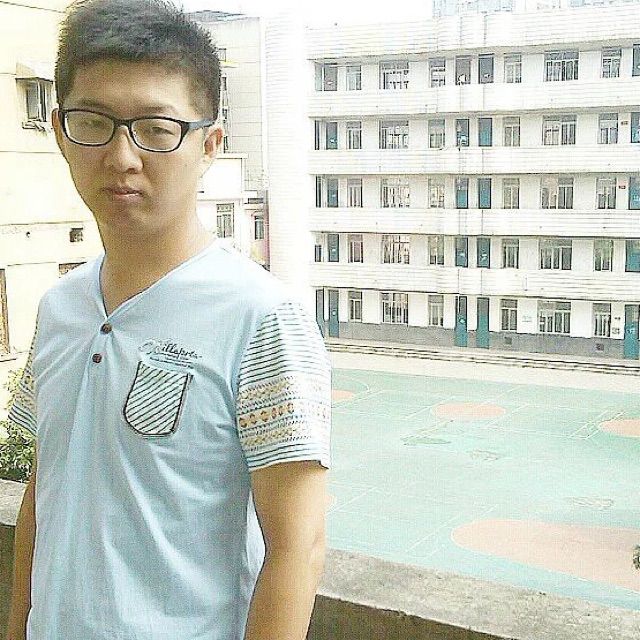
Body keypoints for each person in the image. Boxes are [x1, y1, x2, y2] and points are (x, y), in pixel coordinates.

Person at [5, 1, 331, 639]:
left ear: (209, 145)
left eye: (156, 129)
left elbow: (298, 547)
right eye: (93, 123)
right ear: (60, 132)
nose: (122, 157)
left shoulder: (263, 318)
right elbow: (47, 491)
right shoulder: (59, 308)